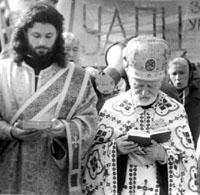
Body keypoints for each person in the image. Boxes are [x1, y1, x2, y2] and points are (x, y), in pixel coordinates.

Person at [0, 3, 97, 195]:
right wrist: (10, 131)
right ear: (23, 35)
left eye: (49, 36)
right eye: (36, 36)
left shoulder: (77, 77)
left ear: (57, 37)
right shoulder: (2, 72)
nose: (42, 42)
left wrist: (65, 129)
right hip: (8, 169)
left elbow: (89, 121)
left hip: (53, 174)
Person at [82, 36, 198, 195]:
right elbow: (91, 160)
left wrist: (163, 155)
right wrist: (115, 149)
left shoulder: (175, 110)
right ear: (129, 77)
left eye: (151, 85)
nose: (144, 92)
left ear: (162, 80)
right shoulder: (112, 108)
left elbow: (189, 163)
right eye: (138, 84)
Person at [162, 56, 200, 148]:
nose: (178, 78)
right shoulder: (163, 94)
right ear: (168, 75)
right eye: (174, 74)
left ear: (189, 73)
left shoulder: (198, 92)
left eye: (182, 73)